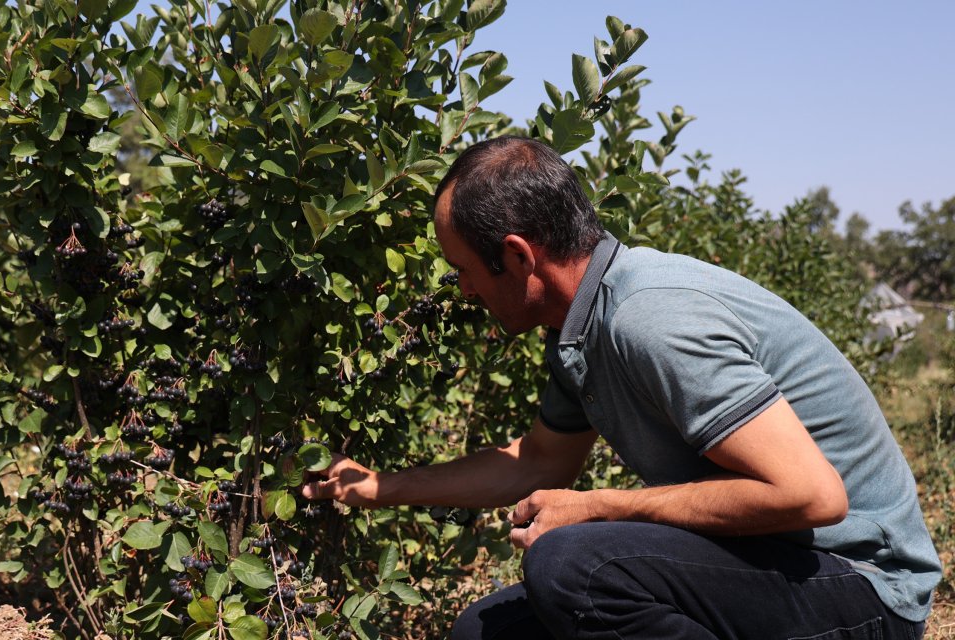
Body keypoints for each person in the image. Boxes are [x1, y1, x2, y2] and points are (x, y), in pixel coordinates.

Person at [299, 136, 940, 639]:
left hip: (863, 587)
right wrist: (384, 487)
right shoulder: (580, 330)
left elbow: (811, 495)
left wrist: (601, 505)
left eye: (465, 269)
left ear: (519, 257)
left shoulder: (647, 318)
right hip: (770, 563)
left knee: (574, 565)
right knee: (484, 631)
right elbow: (539, 460)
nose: (463, 291)